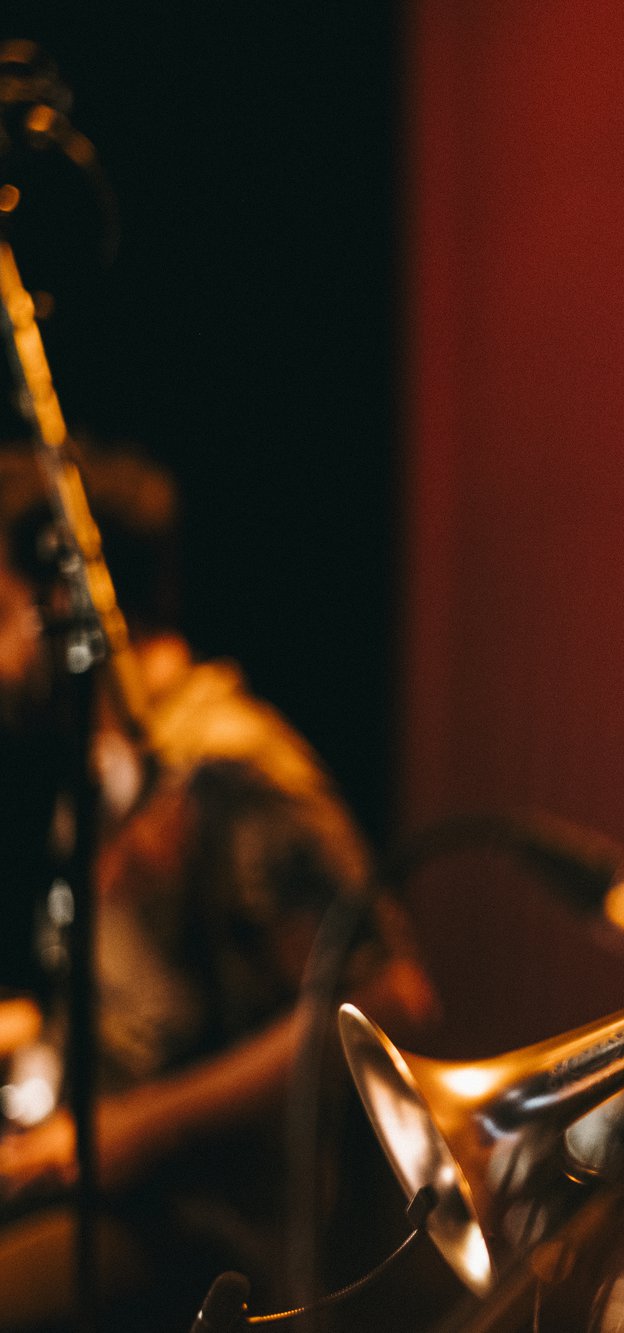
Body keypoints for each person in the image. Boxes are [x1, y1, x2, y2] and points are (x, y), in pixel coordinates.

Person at [0, 442, 435, 1327]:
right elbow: (149, 1014)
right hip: (112, 1193)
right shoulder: (106, 767)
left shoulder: (227, 771)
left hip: (203, 1236)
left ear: (59, 605)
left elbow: (386, 996)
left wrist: (138, 1128)